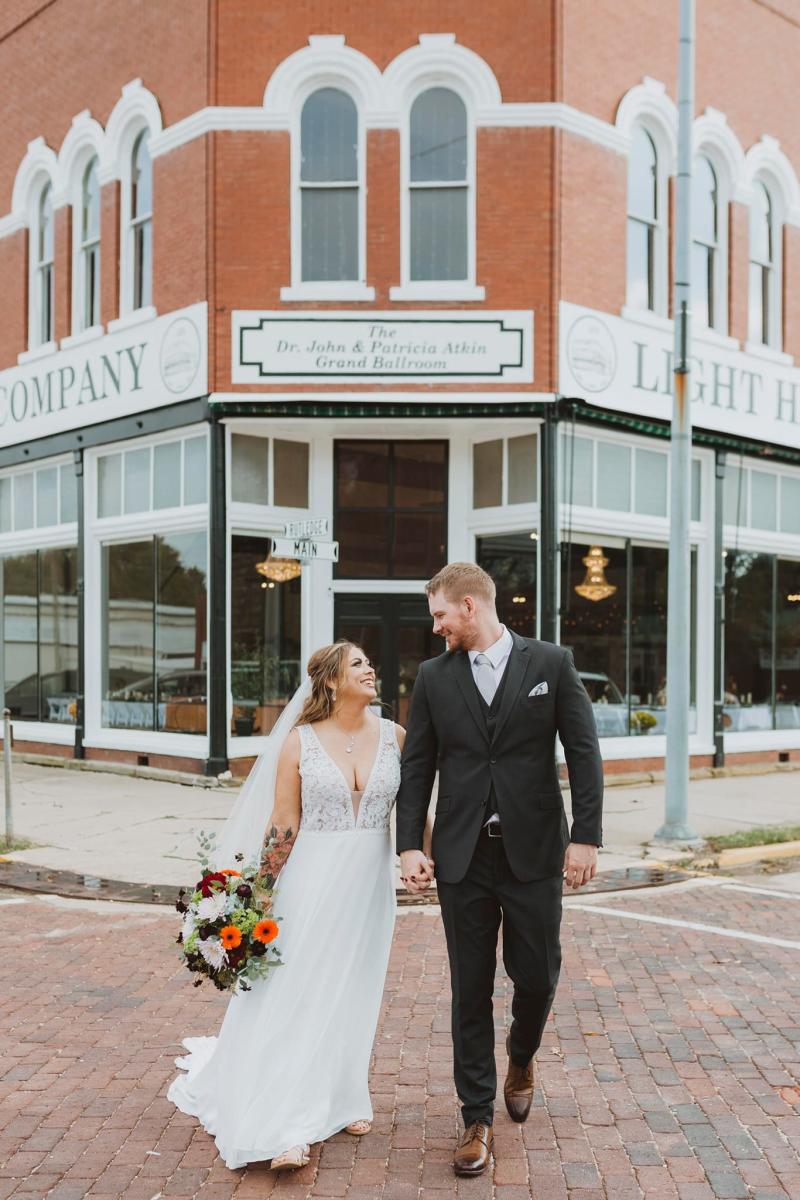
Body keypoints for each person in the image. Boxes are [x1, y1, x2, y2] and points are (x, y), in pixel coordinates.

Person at [168, 642, 418, 1171]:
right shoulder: (298, 744)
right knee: (296, 991)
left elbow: (415, 814)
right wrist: (255, 900)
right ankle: (284, 1122)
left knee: (355, 985)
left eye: (371, 661)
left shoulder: (395, 737)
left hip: (368, 887)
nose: (371, 668)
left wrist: (422, 857)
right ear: (330, 681)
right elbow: (283, 826)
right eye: (358, 664)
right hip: (309, 883)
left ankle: (345, 1094)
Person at [396, 562, 604, 1177]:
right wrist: (410, 843)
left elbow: (584, 752)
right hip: (463, 855)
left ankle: (522, 1054)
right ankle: (476, 1117)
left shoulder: (551, 664)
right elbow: (417, 767)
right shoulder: (434, 678)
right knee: (470, 987)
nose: (434, 627)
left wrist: (586, 837)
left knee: (536, 975)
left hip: (536, 850)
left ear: (468, 606)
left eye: (439, 614)